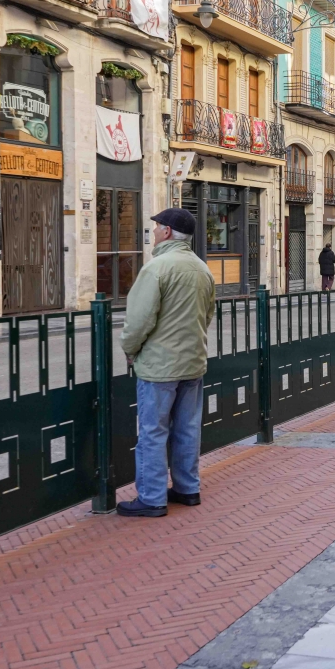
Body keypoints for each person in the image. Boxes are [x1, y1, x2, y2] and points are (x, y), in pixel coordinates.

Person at [117, 208, 216, 518]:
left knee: (153, 431)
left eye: (157, 227)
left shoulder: (156, 268)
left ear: (168, 232)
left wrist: (130, 349)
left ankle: (152, 497)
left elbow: (138, 320)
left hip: (159, 366)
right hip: (192, 362)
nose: (154, 232)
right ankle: (187, 489)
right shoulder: (202, 269)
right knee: (187, 428)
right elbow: (207, 315)